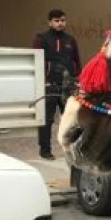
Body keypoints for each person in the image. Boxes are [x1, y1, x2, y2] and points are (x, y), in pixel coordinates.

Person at [32, 9, 81, 160]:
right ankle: (45, 150)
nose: (60, 23)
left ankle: (71, 149)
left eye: (63, 20)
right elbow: (37, 62)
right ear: (50, 22)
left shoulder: (70, 40)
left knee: (71, 119)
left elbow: (77, 62)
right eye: (57, 21)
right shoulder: (42, 39)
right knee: (47, 120)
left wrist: (77, 80)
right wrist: (43, 82)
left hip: (67, 87)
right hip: (49, 86)